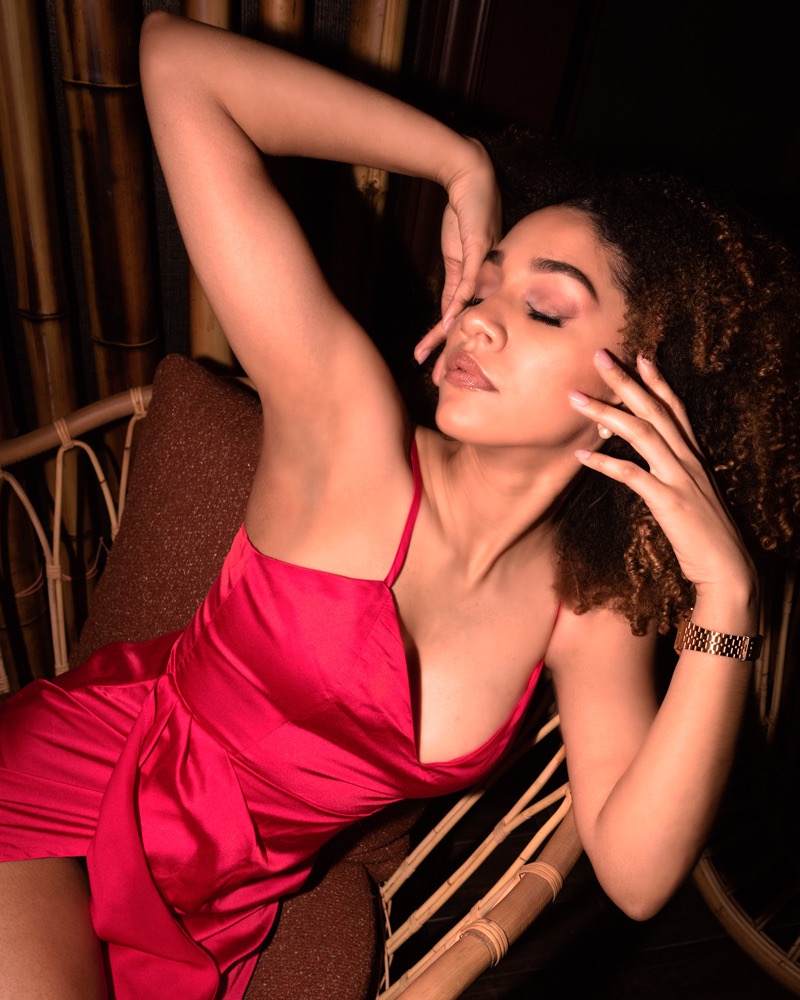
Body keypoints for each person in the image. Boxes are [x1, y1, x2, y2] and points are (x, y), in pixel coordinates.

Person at [1, 10, 798, 1000]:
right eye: (484, 285)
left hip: (219, 913)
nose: (480, 321)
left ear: (648, 384)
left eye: (543, 306)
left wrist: (726, 597)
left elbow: (637, 877)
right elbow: (176, 61)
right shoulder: (347, 428)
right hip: (69, 804)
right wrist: (456, 162)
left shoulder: (585, 610)